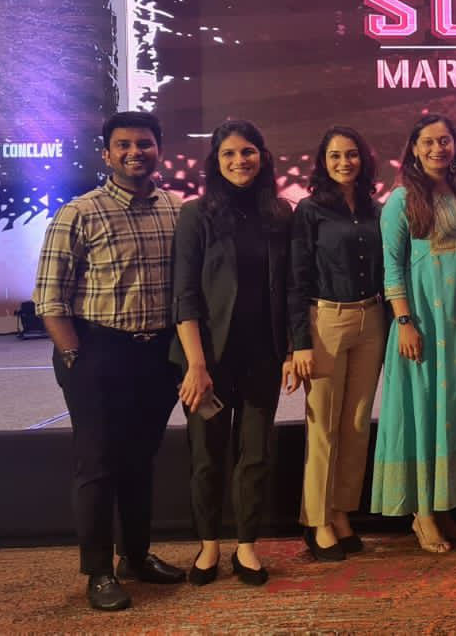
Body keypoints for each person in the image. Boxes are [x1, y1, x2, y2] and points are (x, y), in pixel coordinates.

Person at [33, 111, 186, 611]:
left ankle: (135, 557)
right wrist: (75, 357)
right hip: (97, 353)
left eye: (144, 143)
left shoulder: (177, 210)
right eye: (124, 145)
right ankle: (98, 571)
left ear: (158, 149)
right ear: (107, 154)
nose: (134, 152)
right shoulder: (79, 213)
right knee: (97, 465)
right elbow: (49, 299)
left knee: (140, 461)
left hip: (158, 356)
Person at [171, 120, 293, 587]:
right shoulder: (196, 215)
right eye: (229, 154)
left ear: (262, 156)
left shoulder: (280, 213)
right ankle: (209, 546)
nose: (240, 161)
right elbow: (184, 295)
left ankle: (246, 546)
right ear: (216, 161)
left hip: (262, 357)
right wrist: (196, 366)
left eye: (248, 152)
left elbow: (289, 289)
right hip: (208, 362)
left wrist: (290, 349)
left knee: (255, 454)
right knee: (206, 455)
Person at [370, 114, 456, 552]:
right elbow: (392, 268)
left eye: (445, 141)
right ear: (414, 149)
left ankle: (443, 504)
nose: (439, 148)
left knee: (450, 412)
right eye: (429, 142)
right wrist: (404, 322)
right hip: (422, 322)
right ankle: (422, 514)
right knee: (423, 412)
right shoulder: (401, 200)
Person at [287, 126, 385, 562]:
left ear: (363, 159)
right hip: (325, 321)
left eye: (351, 154)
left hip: (372, 319)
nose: (345, 162)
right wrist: (299, 343)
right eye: (335, 156)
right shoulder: (309, 211)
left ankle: (341, 512)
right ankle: (317, 520)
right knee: (323, 426)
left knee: (357, 424)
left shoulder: (375, 209)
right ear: (323, 163)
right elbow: (296, 279)